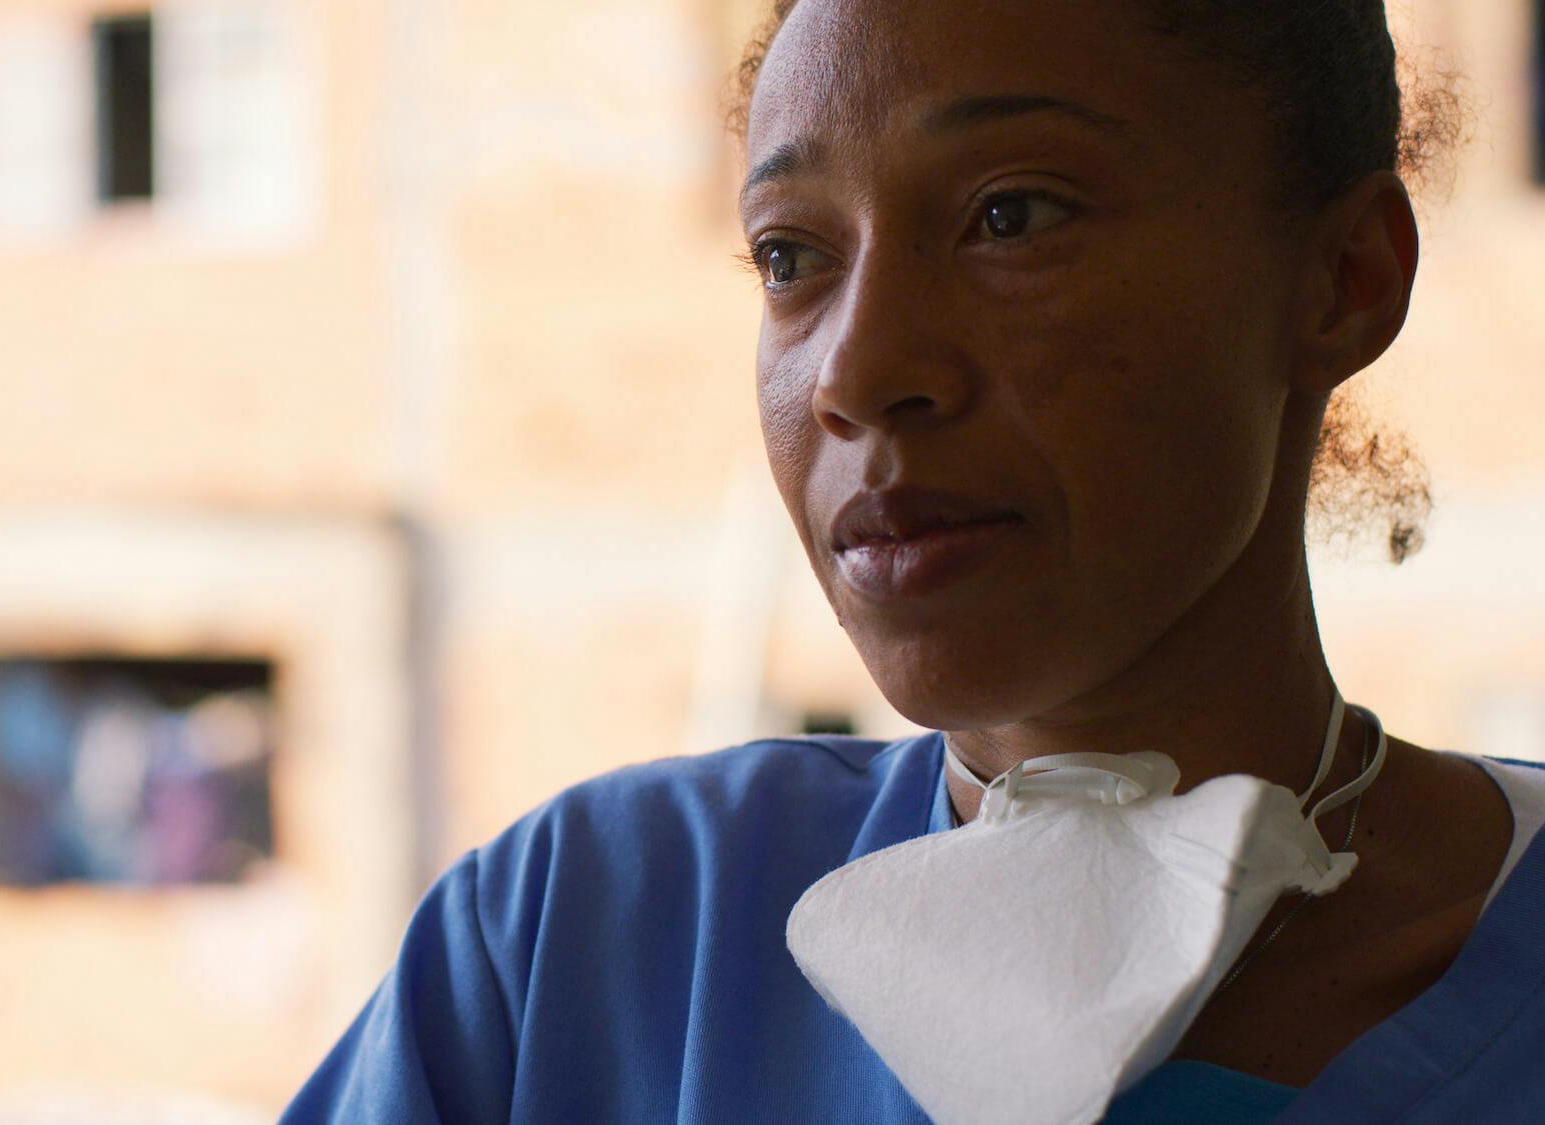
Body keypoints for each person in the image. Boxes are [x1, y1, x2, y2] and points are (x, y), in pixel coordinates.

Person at [284, 1, 1545, 1120]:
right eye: (790, 257)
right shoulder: (585, 943)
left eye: (1011, 215)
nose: (854, 372)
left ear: (1342, 279)